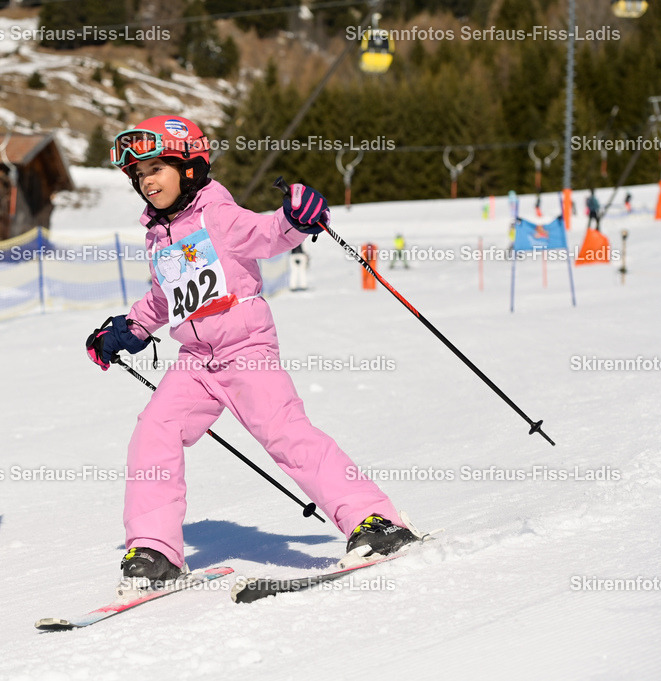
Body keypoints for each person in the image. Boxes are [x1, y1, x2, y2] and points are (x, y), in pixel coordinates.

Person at [85, 115, 418, 586]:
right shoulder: (159, 234)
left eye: (156, 169)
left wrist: (296, 219)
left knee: (285, 434)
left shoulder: (216, 215)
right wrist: (130, 328)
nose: (147, 182)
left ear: (190, 167)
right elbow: (167, 296)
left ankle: (376, 521)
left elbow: (267, 234)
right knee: (153, 432)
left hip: (245, 349)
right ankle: (155, 551)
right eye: (139, 175)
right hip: (196, 362)